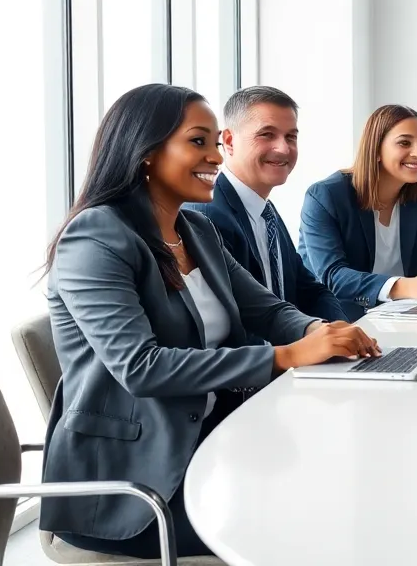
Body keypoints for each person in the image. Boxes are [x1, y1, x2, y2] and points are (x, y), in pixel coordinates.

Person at [41, 84, 379, 559]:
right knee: (319, 519)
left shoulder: (194, 229)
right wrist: (283, 356)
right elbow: (141, 368)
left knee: (356, 478)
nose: (216, 157)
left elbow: (266, 308)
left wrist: (314, 332)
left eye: (214, 144)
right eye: (197, 141)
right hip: (136, 484)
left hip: (217, 441)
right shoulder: (95, 237)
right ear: (146, 152)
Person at [298, 105, 417, 320]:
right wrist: (407, 287)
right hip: (337, 319)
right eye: (405, 142)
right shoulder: (326, 196)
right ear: (376, 150)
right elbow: (333, 276)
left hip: (403, 316)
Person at [185, 86, 345, 324]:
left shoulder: (265, 211)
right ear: (229, 141)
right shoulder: (206, 214)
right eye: (267, 135)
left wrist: (342, 330)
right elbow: (234, 321)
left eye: (291, 137)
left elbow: (309, 288)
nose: (283, 148)